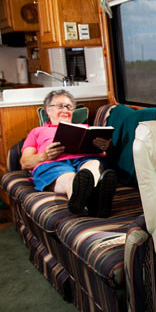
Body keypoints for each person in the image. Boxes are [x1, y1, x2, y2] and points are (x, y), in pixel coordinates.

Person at [20, 89, 117, 218]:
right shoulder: (37, 131)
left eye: (69, 107)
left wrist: (107, 147)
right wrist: (44, 156)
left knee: (93, 165)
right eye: (60, 106)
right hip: (53, 164)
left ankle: (92, 203)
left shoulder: (86, 128)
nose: (65, 110)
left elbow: (109, 155)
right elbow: (24, 163)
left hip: (86, 159)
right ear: (48, 110)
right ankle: (92, 204)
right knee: (70, 178)